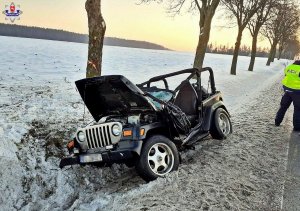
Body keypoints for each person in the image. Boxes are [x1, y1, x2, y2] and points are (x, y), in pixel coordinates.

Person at [275, 60, 300, 131]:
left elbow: (287, 76)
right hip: (297, 91)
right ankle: (297, 127)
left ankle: (277, 122)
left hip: (287, 90)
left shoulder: (289, 67)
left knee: (283, 107)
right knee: (298, 109)